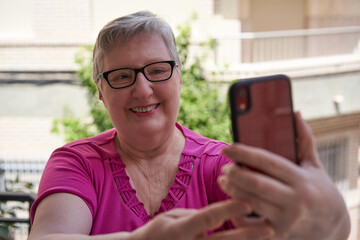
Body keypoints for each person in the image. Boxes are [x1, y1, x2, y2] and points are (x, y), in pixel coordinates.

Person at [28, 11, 350, 240]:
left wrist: (332, 225)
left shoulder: (223, 167)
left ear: (179, 77)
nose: (142, 89)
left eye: (157, 70)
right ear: (101, 90)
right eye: (123, 76)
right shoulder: (76, 163)